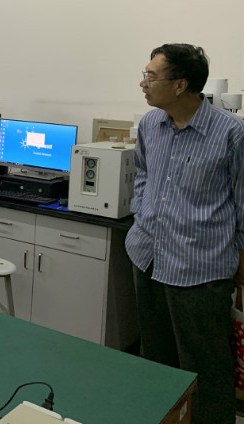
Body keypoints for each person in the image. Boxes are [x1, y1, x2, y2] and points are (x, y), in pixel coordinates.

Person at [126, 43, 244, 424]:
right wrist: (141, 212)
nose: (143, 83)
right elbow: (143, 175)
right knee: (155, 359)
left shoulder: (232, 133)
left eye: (151, 76)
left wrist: (240, 265)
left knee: (205, 368)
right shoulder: (150, 124)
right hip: (148, 257)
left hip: (200, 270)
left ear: (179, 85)